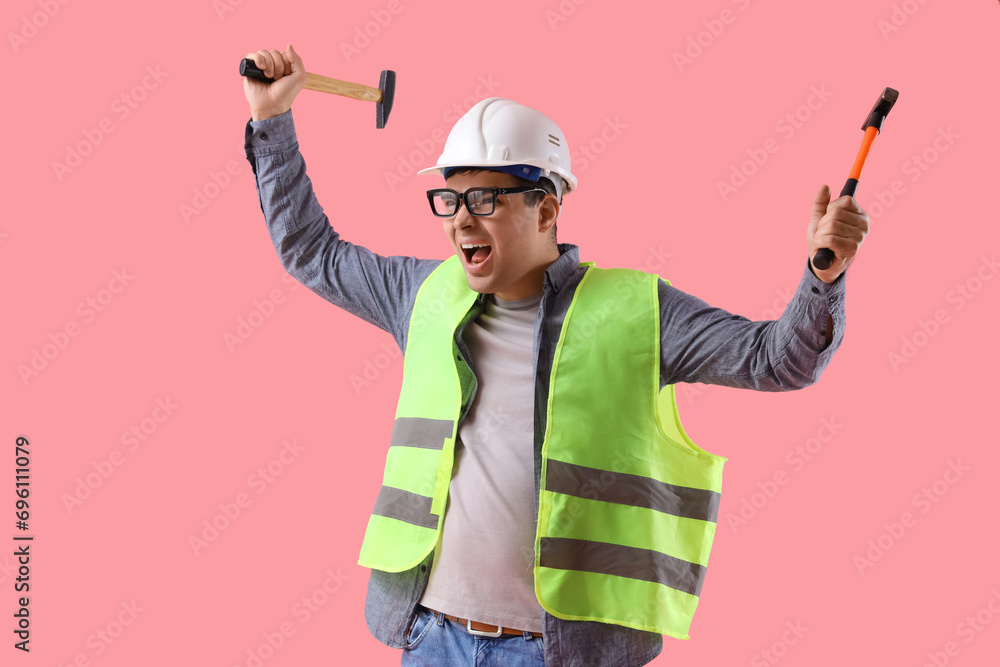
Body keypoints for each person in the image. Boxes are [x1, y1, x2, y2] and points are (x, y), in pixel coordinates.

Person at [242, 44, 869, 667]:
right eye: (450, 199)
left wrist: (825, 276)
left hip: (559, 655)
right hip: (430, 637)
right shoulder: (422, 294)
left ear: (545, 208)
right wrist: (271, 122)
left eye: (485, 199)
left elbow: (776, 360)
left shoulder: (637, 311)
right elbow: (310, 251)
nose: (461, 220)